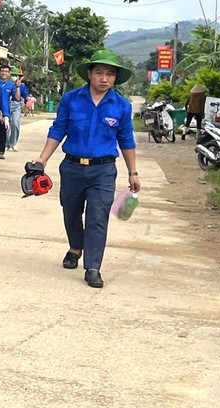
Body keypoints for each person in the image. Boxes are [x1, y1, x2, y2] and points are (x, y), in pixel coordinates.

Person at [30, 50, 139, 290]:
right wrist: (42, 159)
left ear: (115, 78)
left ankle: (93, 267)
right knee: (71, 211)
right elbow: (58, 130)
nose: (104, 78)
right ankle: (75, 247)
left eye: (110, 74)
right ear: (89, 74)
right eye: (99, 73)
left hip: (103, 170)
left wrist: (133, 172)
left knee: (97, 217)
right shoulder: (71, 99)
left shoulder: (121, 106)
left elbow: (127, 139)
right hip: (72, 167)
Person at [0, 62, 16, 161]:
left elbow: (16, 98)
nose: (4, 73)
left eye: (6, 71)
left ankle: (1, 151)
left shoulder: (11, 85)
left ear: (9, 74)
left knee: (3, 130)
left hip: (5, 109)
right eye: (2, 71)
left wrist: (4, 114)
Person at [7, 67, 27, 149]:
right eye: (12, 75)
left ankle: (13, 143)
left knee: (15, 123)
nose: (13, 77)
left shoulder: (22, 86)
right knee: (6, 125)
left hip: (16, 105)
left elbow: (20, 97)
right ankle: (6, 143)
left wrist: (18, 87)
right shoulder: (7, 84)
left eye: (15, 75)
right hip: (7, 105)